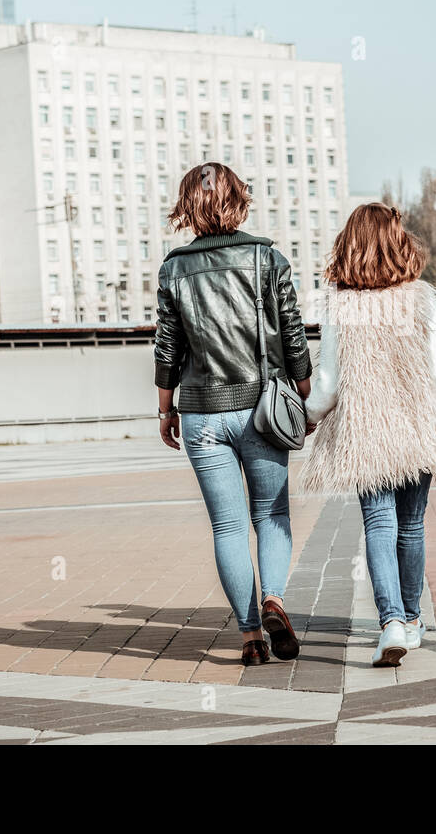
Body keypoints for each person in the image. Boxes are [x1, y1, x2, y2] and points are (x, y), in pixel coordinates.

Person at [154, 163, 312, 667]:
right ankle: (275, 600)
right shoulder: (267, 258)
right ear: (239, 200)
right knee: (271, 514)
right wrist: (305, 395)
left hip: (201, 413)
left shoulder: (174, 267)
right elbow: (292, 333)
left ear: (189, 205)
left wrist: (165, 408)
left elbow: (166, 346)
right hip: (262, 409)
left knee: (226, 527)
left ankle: (249, 637)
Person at [301, 203, 436, 667]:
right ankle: (414, 621)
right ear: (398, 242)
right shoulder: (420, 297)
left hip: (368, 432)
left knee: (379, 524)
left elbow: (329, 380)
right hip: (418, 427)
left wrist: (310, 415)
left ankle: (391, 622)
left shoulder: (340, 303)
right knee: (412, 525)